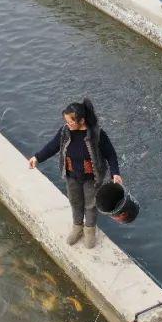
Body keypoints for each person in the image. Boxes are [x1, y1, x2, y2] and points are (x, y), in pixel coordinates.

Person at [28, 98, 122, 249]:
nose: (67, 124)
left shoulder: (97, 134)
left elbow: (110, 154)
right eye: (66, 121)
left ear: (82, 120)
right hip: (72, 175)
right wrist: (37, 158)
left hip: (92, 177)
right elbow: (52, 146)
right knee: (75, 202)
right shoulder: (65, 131)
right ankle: (77, 227)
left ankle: (89, 230)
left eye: (71, 121)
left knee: (90, 205)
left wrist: (115, 173)